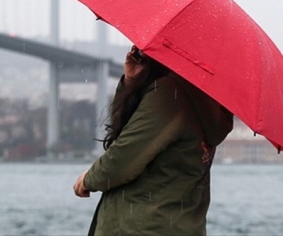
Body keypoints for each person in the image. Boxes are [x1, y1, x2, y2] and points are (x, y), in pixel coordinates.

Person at [73, 45, 233, 235]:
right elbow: (131, 136)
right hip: (181, 226)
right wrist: (131, 82)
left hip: (139, 226)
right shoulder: (208, 101)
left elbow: (125, 155)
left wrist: (89, 179)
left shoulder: (170, 94)